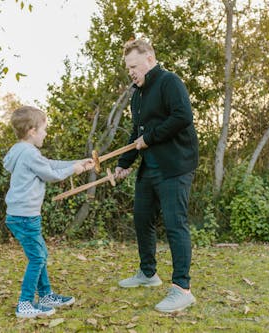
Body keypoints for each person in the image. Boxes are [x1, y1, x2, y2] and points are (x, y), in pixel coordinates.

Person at [115, 39, 199, 313]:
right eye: (128, 69)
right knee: (142, 218)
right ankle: (148, 273)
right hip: (150, 167)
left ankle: (182, 289)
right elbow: (136, 132)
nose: (132, 72)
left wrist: (148, 139)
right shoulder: (138, 93)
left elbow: (182, 116)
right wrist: (123, 163)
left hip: (175, 164)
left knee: (175, 224)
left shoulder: (169, 82)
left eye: (135, 66)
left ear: (149, 59)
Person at [3, 106, 94, 318]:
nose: (46, 133)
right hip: (25, 216)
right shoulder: (29, 153)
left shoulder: (19, 150)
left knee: (40, 255)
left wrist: (76, 162)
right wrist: (74, 170)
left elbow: (49, 164)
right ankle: (25, 304)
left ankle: (45, 295)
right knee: (38, 258)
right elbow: (50, 174)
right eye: (44, 129)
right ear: (32, 131)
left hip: (21, 215)